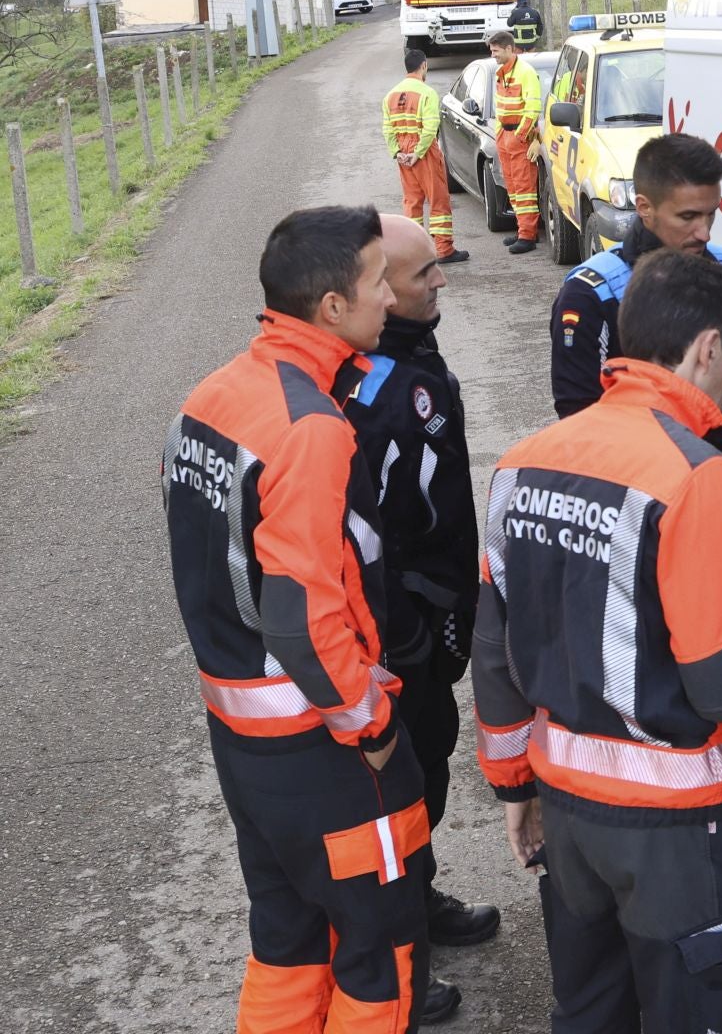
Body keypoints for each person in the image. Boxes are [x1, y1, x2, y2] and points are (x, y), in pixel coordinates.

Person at [473, 248, 722, 1032]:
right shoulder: (698, 476)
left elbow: (494, 647)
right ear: (708, 347)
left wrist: (514, 786)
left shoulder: (523, 462)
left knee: (588, 1011)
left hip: (567, 808)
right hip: (675, 825)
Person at [163, 205, 432, 1031]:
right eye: (377, 282)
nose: (390, 297)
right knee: (380, 956)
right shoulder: (311, 427)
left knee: (288, 943)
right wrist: (371, 724)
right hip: (323, 746)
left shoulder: (213, 394)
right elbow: (302, 621)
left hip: (244, 740)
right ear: (331, 306)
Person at [343, 216, 499, 1022]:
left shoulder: (408, 358)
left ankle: (418, 897)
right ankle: (393, 961)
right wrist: (409, 634)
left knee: (427, 766)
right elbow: (363, 536)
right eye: (420, 275)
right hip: (401, 625)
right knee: (397, 783)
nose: (440, 281)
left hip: (430, 608)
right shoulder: (375, 392)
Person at [549, 133, 722, 461]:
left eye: (711, 214)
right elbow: (580, 426)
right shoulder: (589, 294)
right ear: (644, 208)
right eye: (688, 217)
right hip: (634, 480)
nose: (704, 232)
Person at [382, 48, 467, 264]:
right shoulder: (427, 93)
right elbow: (430, 129)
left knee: (412, 202)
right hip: (424, 151)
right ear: (424, 66)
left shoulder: (390, 95)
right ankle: (444, 249)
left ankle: (415, 253)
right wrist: (418, 152)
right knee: (438, 199)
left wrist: (398, 152)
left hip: (403, 152)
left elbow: (388, 129)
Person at [490, 28, 545, 254]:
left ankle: (527, 236)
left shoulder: (525, 72)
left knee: (524, 189)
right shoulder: (501, 73)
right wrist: (500, 135)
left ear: (509, 49)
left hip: (518, 137)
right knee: (512, 188)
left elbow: (532, 108)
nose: (493, 55)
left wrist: (521, 137)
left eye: (496, 51)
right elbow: (500, 108)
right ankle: (523, 229)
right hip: (505, 136)